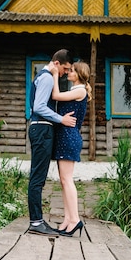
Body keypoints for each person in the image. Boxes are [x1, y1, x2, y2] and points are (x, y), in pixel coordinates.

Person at [27, 49, 77, 236]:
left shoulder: (44, 76)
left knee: (38, 176)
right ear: (56, 64)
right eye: (65, 68)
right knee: (38, 178)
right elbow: (39, 106)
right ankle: (36, 222)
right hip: (41, 128)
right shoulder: (47, 78)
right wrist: (61, 119)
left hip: (41, 128)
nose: (65, 72)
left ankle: (37, 220)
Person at [49, 60, 92, 237]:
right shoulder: (76, 90)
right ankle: (68, 219)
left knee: (67, 180)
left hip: (69, 137)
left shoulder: (80, 90)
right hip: (65, 137)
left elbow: (56, 96)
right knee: (64, 181)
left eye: (72, 71)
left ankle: (75, 220)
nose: (68, 73)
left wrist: (53, 75)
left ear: (79, 74)